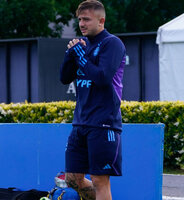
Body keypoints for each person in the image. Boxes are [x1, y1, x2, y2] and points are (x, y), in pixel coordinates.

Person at [60, 1, 126, 199]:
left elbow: (102, 77)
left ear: (101, 20)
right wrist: (69, 55)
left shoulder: (112, 43)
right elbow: (64, 78)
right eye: (80, 19)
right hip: (80, 122)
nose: (82, 24)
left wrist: (80, 56)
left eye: (86, 19)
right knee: (72, 178)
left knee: (99, 180)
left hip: (104, 123)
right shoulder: (82, 45)